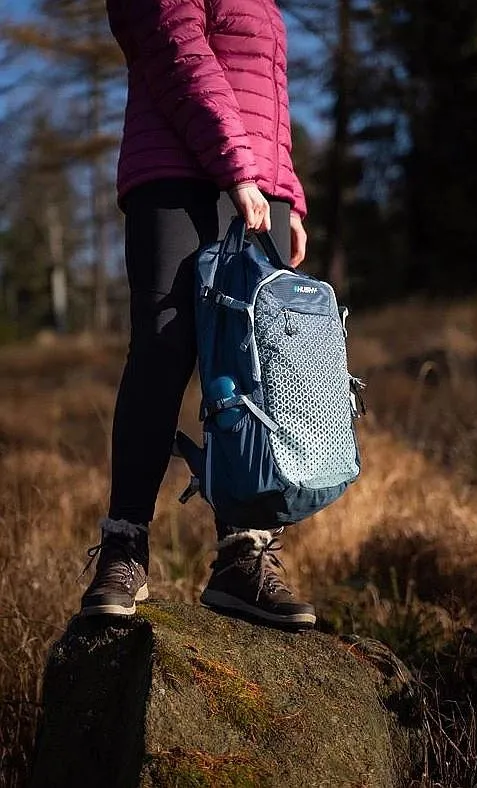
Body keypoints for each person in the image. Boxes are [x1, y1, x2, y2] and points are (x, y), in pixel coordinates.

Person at [80, 0, 316, 628]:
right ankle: (124, 545)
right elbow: (176, 52)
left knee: (254, 362)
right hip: (176, 172)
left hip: (251, 189)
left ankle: (244, 554)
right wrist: (238, 167)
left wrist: (286, 190)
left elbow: (270, 95)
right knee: (163, 350)